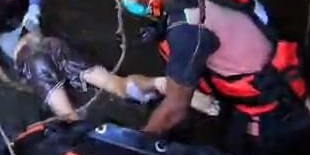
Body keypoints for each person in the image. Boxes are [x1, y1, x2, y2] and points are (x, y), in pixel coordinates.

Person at [101, 0, 310, 155]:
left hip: (273, 115)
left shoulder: (188, 29)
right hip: (267, 93)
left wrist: (135, 149)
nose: (127, 4)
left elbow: (175, 109)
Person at [12, 32, 220, 121]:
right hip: (52, 44)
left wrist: (10, 80)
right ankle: (162, 84)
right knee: (118, 85)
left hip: (33, 61)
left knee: (69, 117)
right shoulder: (31, 13)